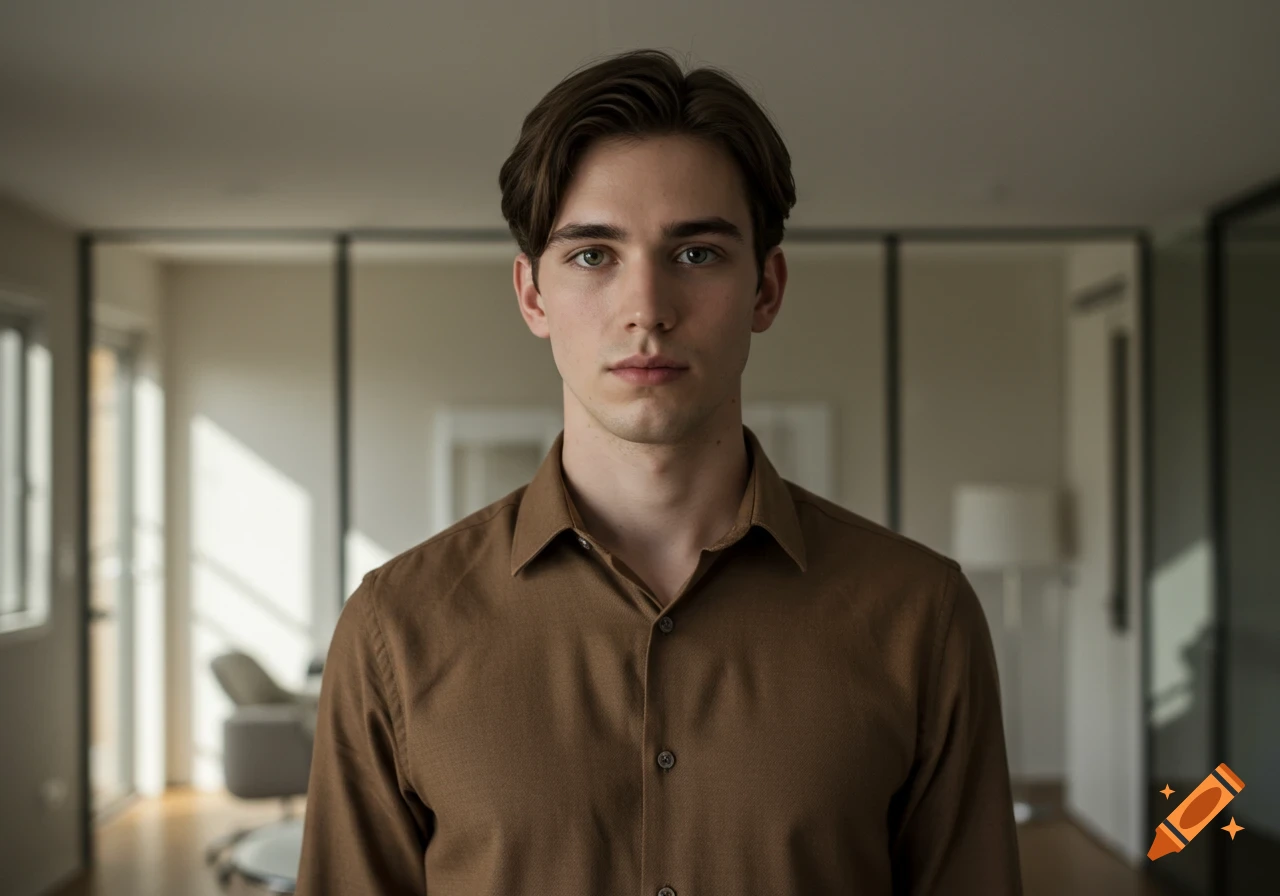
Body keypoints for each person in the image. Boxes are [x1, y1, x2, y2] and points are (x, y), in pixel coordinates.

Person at [295, 48, 1023, 895]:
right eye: (593, 256)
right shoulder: (396, 628)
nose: (647, 308)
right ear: (532, 294)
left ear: (766, 289)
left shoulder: (922, 620)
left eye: (697, 254)